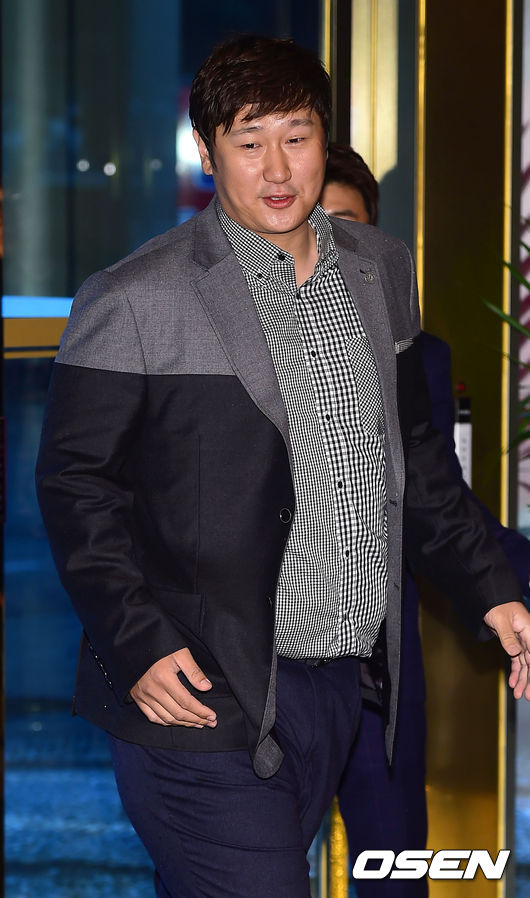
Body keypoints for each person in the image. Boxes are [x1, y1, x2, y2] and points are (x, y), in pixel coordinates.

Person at [35, 35, 530, 898]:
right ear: (206, 151)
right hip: (202, 695)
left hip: (341, 686)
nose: (276, 169)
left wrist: (491, 586)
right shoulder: (134, 298)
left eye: (296, 138)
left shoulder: (380, 269)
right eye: (248, 140)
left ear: (324, 140)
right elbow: (76, 486)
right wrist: (139, 642)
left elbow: (415, 462)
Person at [321, 144, 530, 897]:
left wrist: (513, 584)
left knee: (393, 868)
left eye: (351, 227)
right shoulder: (229, 350)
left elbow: (435, 502)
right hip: (256, 669)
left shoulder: (416, 356)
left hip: (378, 669)